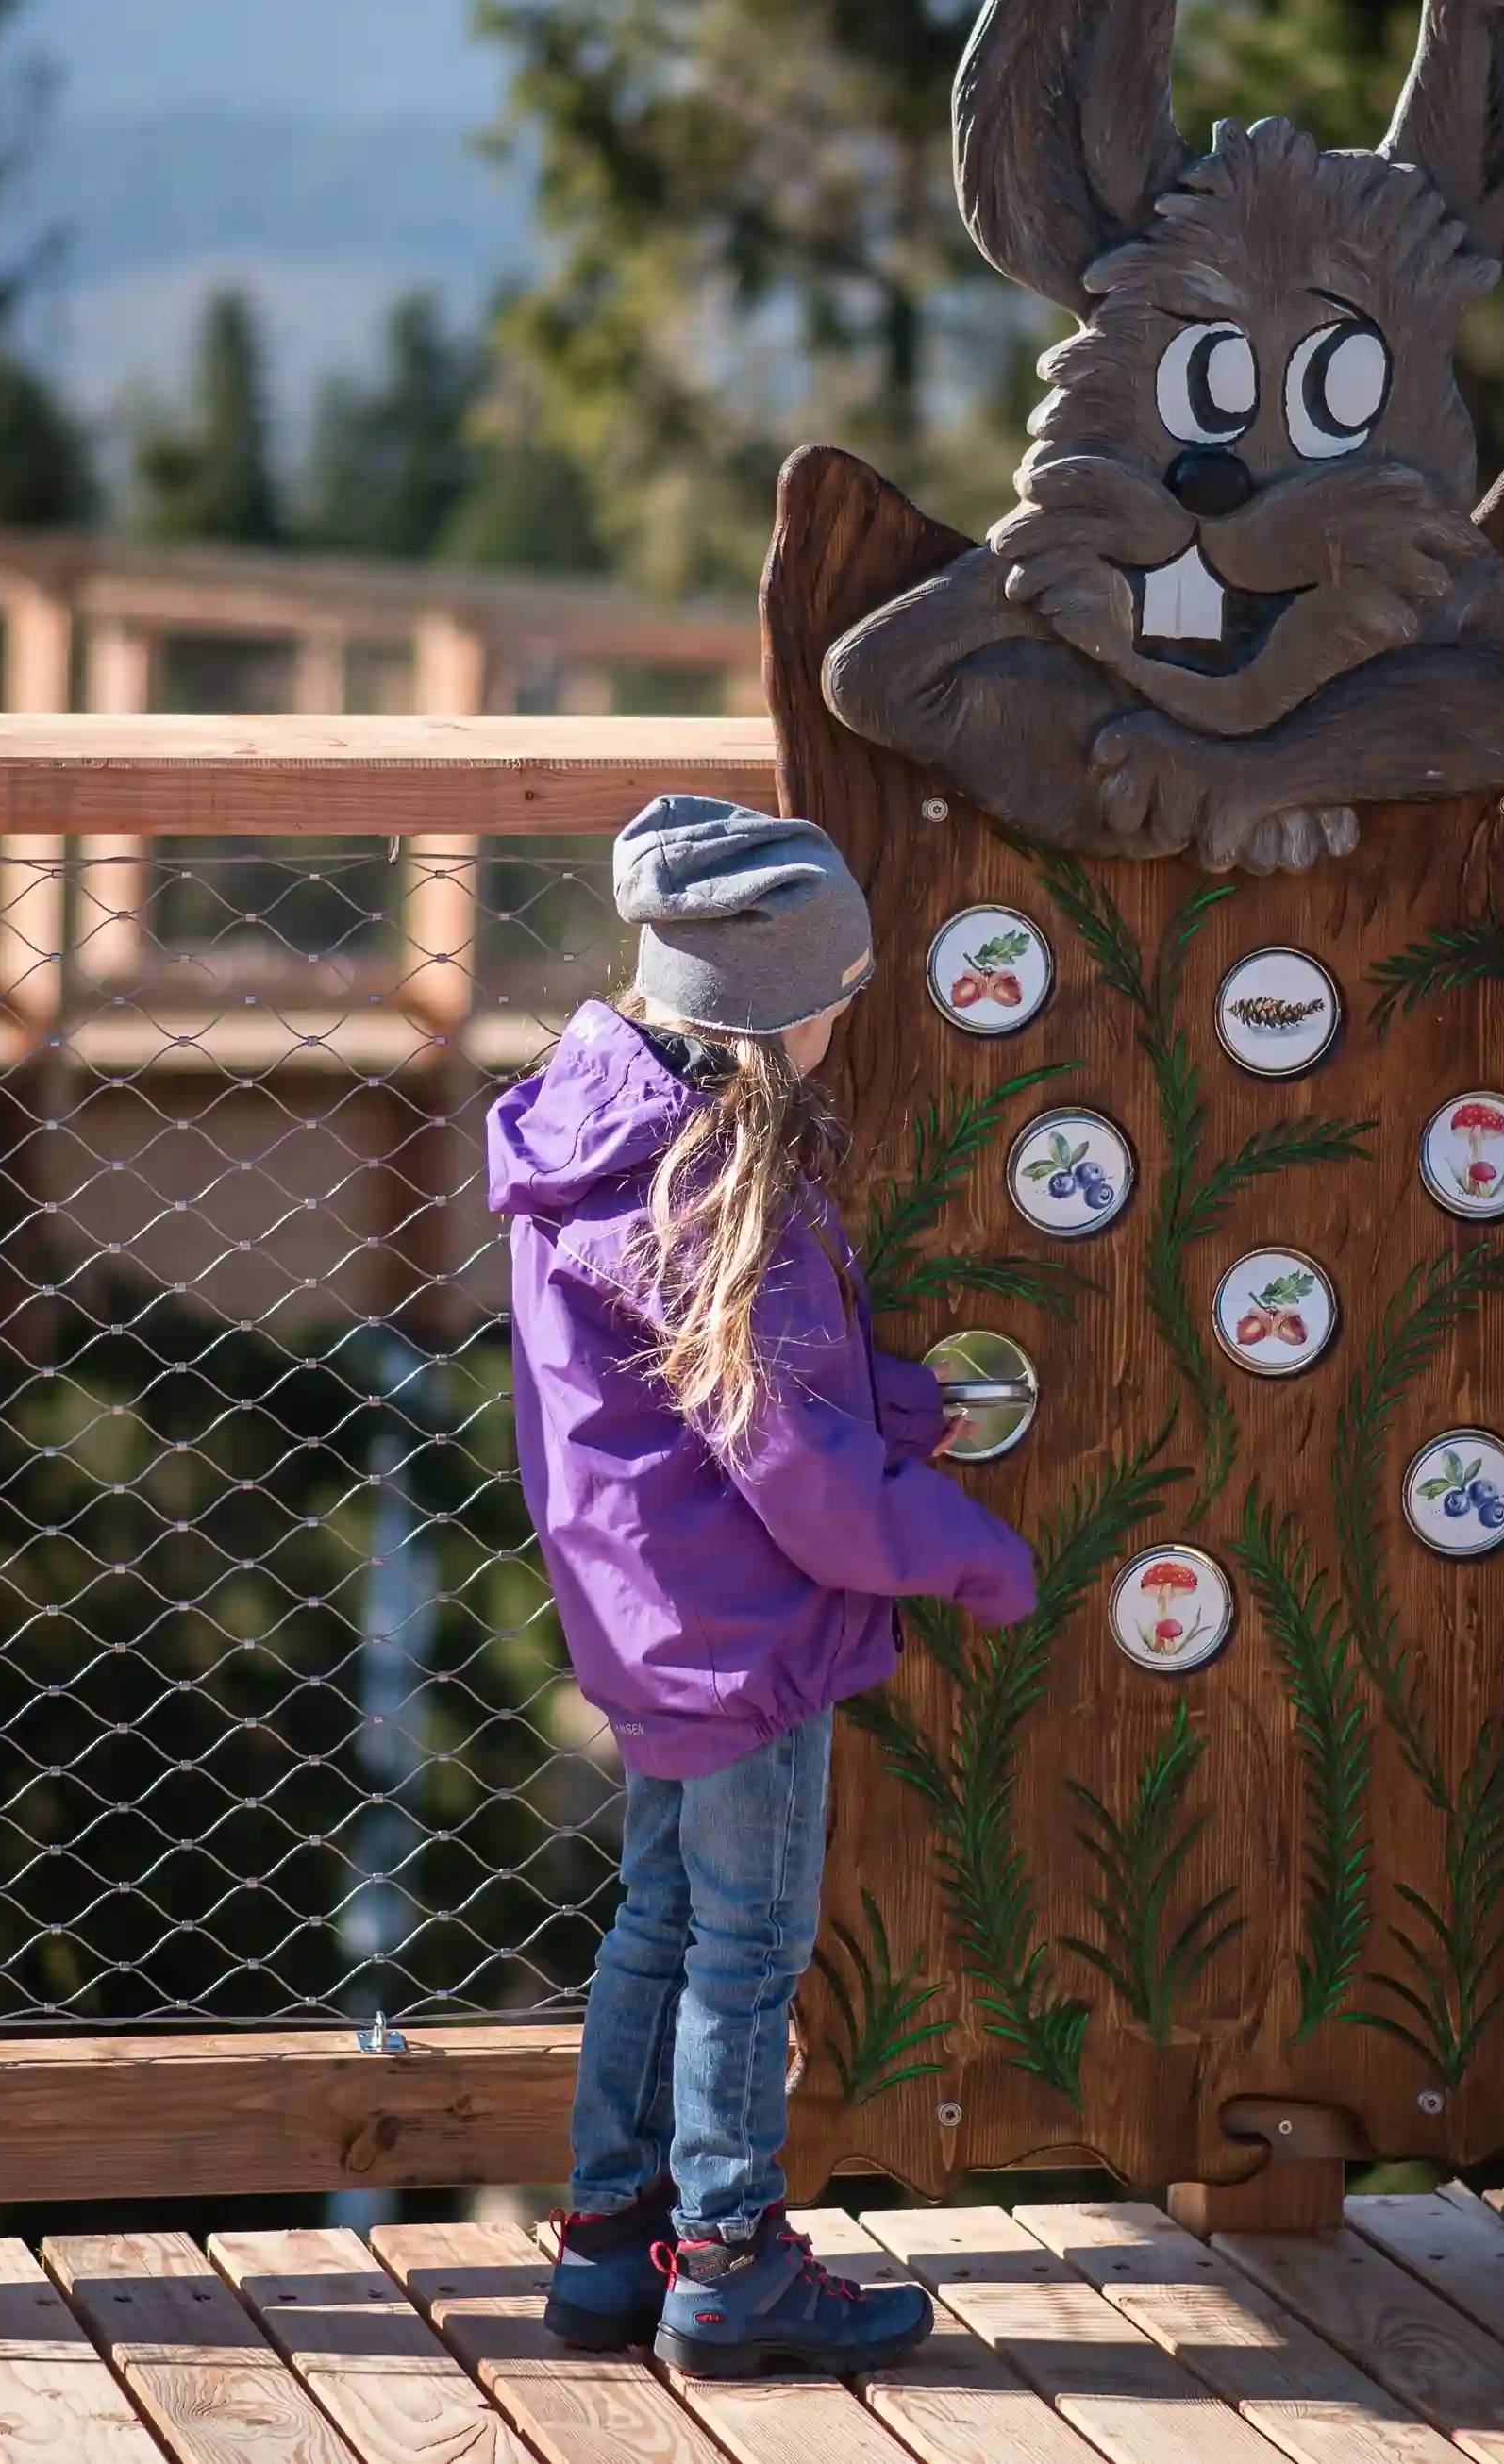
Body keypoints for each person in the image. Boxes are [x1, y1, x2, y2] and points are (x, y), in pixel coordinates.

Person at [491, 794, 1038, 2380]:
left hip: (644, 1615)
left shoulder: (595, 1128)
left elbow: (725, 1396)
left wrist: (896, 1405)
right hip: (747, 1644)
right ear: (778, 1006)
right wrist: (965, 1545)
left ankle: (610, 2237)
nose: (846, 1019)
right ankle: (728, 2256)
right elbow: (793, 1473)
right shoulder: (723, 1183)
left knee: (655, 1919)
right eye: (838, 993)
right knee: (745, 1944)